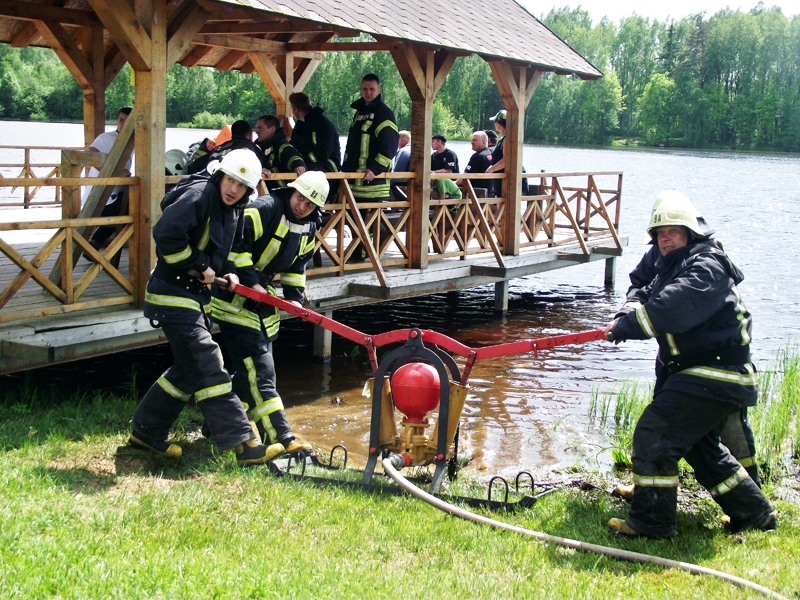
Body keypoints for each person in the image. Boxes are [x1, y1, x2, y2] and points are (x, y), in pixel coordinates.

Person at [604, 190, 776, 538]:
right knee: (699, 446)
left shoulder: (707, 266)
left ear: (690, 232)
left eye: (672, 231)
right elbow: (639, 284)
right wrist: (627, 310)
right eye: (659, 232)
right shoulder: (661, 256)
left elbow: (671, 308)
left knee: (655, 434)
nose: (664, 238)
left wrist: (628, 326)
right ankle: (755, 513)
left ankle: (653, 522)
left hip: (715, 372)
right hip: (686, 371)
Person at [130, 149, 284, 465]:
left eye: (242, 186)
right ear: (220, 176)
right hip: (171, 295)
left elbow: (220, 249)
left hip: (194, 297)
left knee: (188, 372)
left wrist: (225, 270)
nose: (233, 189)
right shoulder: (199, 195)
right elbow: (165, 236)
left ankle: (145, 434)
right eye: (230, 180)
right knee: (207, 360)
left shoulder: (234, 209)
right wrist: (199, 265)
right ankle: (243, 444)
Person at [211, 171, 329, 454]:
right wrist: (251, 280)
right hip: (231, 294)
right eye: (300, 198)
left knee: (246, 374)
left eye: (309, 204)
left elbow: (296, 266)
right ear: (291, 191)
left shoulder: (310, 226)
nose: (301, 207)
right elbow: (235, 246)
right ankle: (282, 439)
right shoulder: (264, 208)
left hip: (260, 300)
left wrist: (295, 299)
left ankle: (214, 423)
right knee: (260, 370)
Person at [342, 73, 399, 203]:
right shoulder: (359, 112)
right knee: (351, 223)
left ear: (379, 90)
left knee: (370, 224)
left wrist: (375, 169)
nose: (368, 92)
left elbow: (390, 146)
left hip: (373, 187)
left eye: (372, 89)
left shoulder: (384, 114)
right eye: (365, 89)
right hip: (353, 185)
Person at [82, 107, 133, 252]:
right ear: (117, 121)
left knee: (136, 202)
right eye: (121, 120)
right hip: (99, 195)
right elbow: (90, 156)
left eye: (128, 121)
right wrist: (116, 172)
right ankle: (97, 241)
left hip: (116, 193)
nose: (123, 124)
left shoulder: (133, 140)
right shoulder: (106, 138)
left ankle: (106, 244)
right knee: (130, 204)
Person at [289, 92, 340, 203]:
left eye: (291, 108)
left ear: (296, 109)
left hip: (329, 169)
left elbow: (323, 154)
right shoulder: (300, 126)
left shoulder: (323, 125)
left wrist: (302, 163)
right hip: (310, 165)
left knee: (306, 174)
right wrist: (296, 163)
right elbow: (293, 148)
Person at [187, 120, 260, 175]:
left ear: (232, 134)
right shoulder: (253, 148)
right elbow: (263, 164)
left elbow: (196, 165)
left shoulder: (220, 148)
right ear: (250, 136)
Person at [255, 114, 306, 191]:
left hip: (284, 195)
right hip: (269, 195)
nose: (257, 131)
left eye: (260, 128)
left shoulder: (281, 145)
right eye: (257, 128)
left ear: (272, 129)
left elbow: (290, 154)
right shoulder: (259, 148)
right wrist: (259, 169)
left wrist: (298, 165)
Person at [484, 110, 507, 197]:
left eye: (495, 121)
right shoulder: (503, 139)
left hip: (507, 181)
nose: (494, 124)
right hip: (500, 179)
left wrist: (491, 169)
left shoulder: (508, 139)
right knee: (500, 208)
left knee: (503, 208)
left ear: (499, 122)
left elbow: (506, 160)